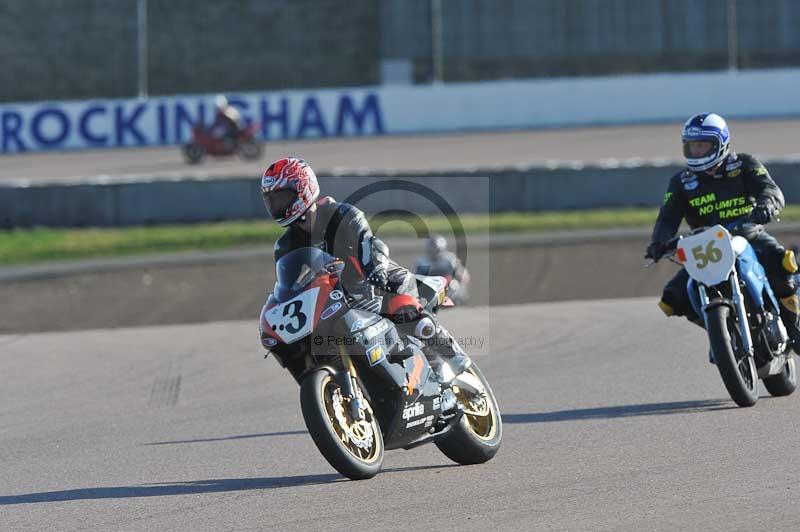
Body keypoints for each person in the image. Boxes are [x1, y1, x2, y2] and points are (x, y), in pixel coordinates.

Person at [260, 157, 469, 374]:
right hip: (334, 299)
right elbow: (291, 284)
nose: (277, 206)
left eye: (282, 198)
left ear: (303, 189)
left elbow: (369, 243)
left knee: (403, 306)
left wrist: (375, 268)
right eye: (272, 200)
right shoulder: (285, 246)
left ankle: (452, 354)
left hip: (371, 280)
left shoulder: (341, 214)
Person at [645, 112, 800, 349]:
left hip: (748, 235)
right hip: (706, 247)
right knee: (672, 299)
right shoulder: (680, 182)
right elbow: (667, 217)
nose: (696, 151)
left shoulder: (744, 164)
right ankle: (725, 335)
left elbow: (770, 190)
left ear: (720, 143)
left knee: (782, 263)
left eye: (703, 145)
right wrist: (659, 243)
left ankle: (794, 326)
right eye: (692, 146)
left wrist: (766, 206)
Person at [415, 234, 470, 303]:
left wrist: (459, 277)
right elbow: (416, 279)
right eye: (432, 251)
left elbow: (463, 275)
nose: (434, 253)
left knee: (455, 284)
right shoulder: (421, 261)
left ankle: (456, 299)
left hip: (448, 288)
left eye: (436, 251)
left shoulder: (450, 259)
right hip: (430, 289)